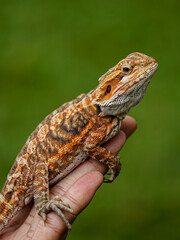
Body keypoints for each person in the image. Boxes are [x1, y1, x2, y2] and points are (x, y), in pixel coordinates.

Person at [0, 116, 137, 240]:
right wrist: (43, 203)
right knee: (40, 167)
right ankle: (42, 205)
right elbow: (40, 167)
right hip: (20, 186)